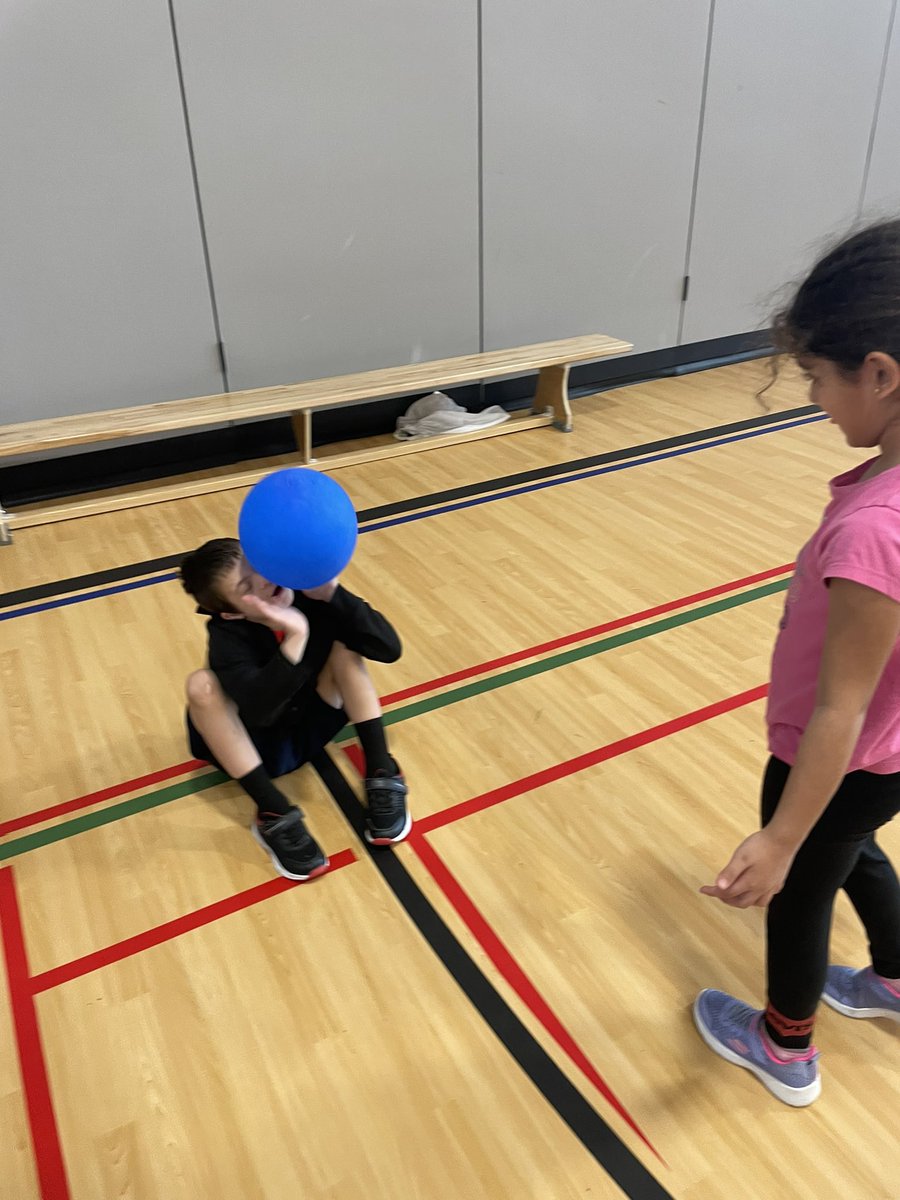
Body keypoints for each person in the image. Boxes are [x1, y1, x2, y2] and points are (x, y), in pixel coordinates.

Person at [695, 219, 900, 1107]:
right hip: (888, 760)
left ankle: (785, 1046)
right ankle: (894, 977)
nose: (816, 398)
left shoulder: (874, 529)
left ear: (882, 374)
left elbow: (838, 711)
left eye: (819, 378)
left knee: (802, 885)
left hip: (842, 757)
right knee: (855, 855)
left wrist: (778, 839)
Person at [178, 537, 411, 880]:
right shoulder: (227, 636)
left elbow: (388, 649)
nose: (263, 580)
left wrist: (334, 593)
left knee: (345, 648)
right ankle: (272, 812)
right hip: (257, 750)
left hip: (310, 727)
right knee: (201, 685)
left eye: (258, 566)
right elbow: (260, 711)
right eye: (246, 586)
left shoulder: (308, 593)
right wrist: (295, 638)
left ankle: (381, 769)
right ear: (231, 612)